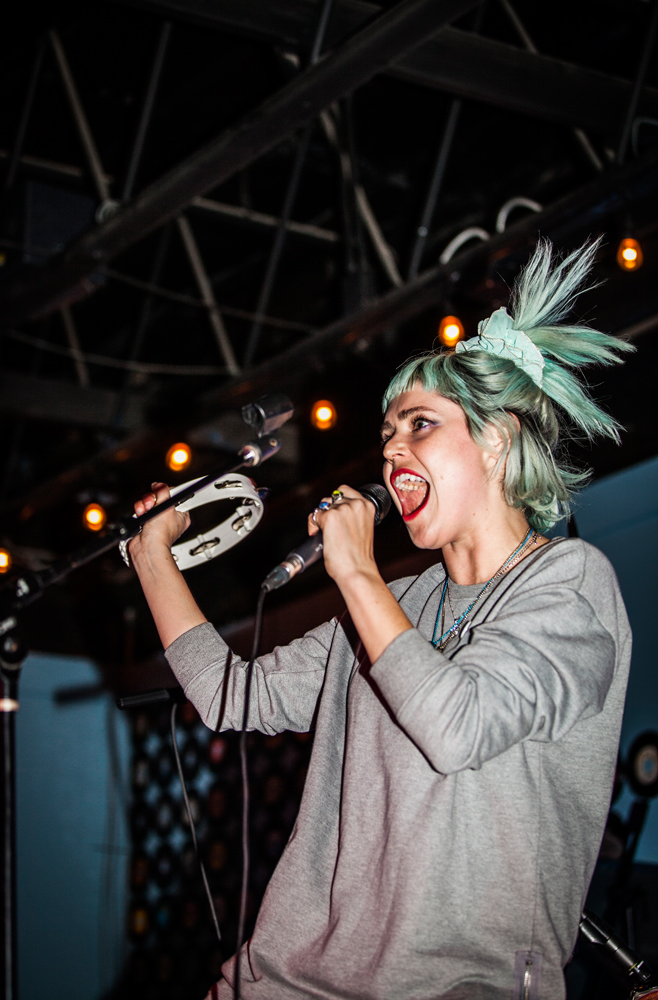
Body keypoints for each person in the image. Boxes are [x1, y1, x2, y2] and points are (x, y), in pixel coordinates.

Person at [129, 238, 633, 1000]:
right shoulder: (393, 605)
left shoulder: (569, 584)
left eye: (418, 424)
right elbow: (229, 694)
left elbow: (457, 728)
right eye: (387, 435)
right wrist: (151, 557)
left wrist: (358, 574)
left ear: (495, 440)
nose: (392, 449)